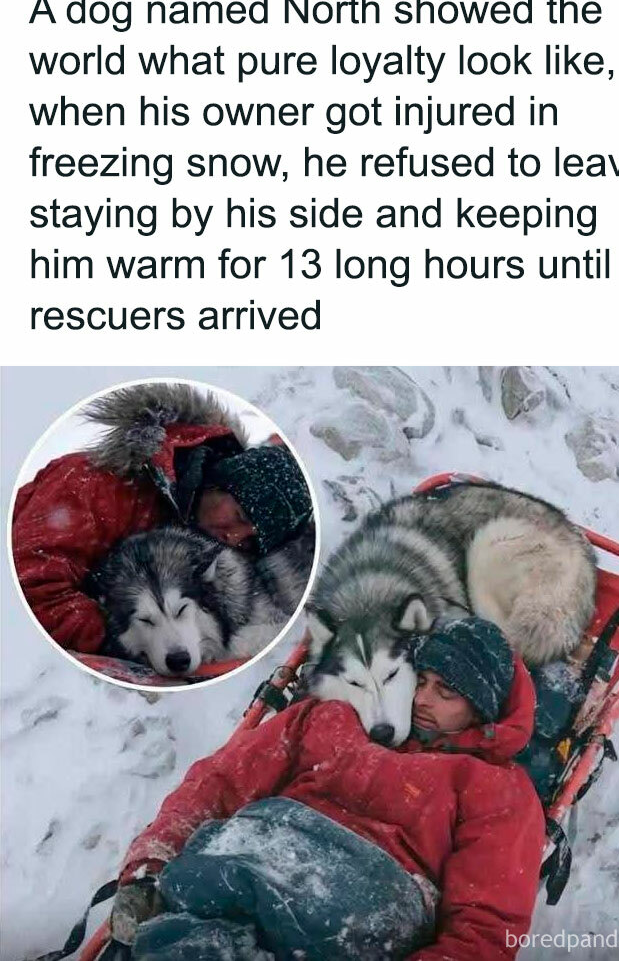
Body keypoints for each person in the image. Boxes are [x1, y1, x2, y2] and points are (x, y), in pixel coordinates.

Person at [111, 617, 545, 960]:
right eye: (422, 681)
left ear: (480, 709)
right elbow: (220, 782)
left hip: (364, 900)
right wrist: (151, 862)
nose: (421, 699)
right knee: (193, 913)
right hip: (256, 850)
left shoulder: (497, 787)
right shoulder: (331, 718)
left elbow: (485, 925)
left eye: (446, 692)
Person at [11, 383, 314, 655]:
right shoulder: (93, 483)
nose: (233, 538)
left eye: (249, 540)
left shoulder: (187, 528)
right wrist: (118, 637)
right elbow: (28, 588)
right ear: (220, 481)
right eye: (239, 515)